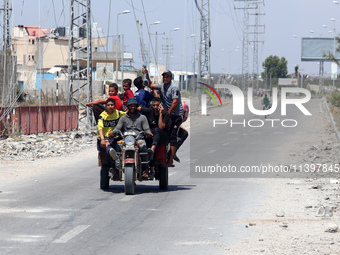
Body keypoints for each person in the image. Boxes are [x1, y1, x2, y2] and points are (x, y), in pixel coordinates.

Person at [143, 68, 183, 166]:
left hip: (175, 115)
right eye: (164, 77)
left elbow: (175, 102)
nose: (165, 78)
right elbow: (150, 85)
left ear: (171, 78)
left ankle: (171, 159)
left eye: (167, 77)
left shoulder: (174, 88)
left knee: (172, 136)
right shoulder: (162, 86)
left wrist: (167, 114)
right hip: (168, 113)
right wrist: (147, 74)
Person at [114, 97, 153, 179]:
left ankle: (145, 169)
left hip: (139, 139)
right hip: (126, 140)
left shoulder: (142, 117)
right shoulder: (123, 118)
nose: (132, 107)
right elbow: (118, 128)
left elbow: (146, 129)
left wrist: (148, 133)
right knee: (118, 146)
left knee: (143, 147)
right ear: (127, 107)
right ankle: (117, 168)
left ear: (136, 107)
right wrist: (113, 132)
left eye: (134, 106)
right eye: (130, 106)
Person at [97, 98, 126, 178]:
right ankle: (110, 152)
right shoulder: (102, 115)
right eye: (108, 105)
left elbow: (127, 114)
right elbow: (100, 127)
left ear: (115, 106)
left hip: (116, 136)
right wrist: (102, 139)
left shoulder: (118, 113)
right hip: (105, 137)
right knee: (107, 145)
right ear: (106, 106)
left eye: (112, 105)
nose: (110, 107)